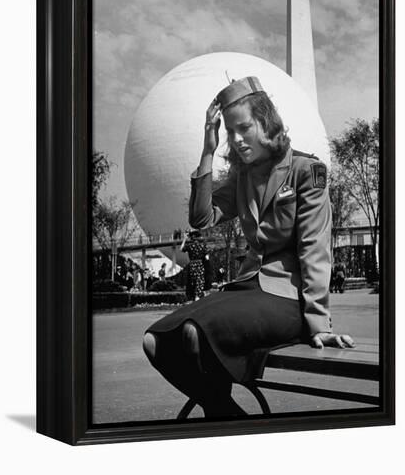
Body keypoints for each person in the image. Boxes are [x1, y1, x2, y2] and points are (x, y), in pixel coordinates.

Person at [143, 76, 354, 419]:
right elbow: (201, 218)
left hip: (288, 299)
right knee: (154, 342)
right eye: (230, 132)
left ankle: (224, 420)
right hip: (248, 289)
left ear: (266, 122)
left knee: (193, 332)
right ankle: (227, 416)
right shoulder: (242, 178)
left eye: (244, 128)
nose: (237, 140)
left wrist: (320, 325)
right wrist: (208, 149)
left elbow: (315, 250)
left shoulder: (306, 171)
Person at [181, 230, 208, 301]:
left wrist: (184, 239)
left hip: (192, 265)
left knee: (193, 281)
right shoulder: (202, 246)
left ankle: (192, 296)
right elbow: (207, 257)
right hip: (200, 264)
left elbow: (181, 249)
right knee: (200, 281)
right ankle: (197, 296)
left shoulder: (189, 246)